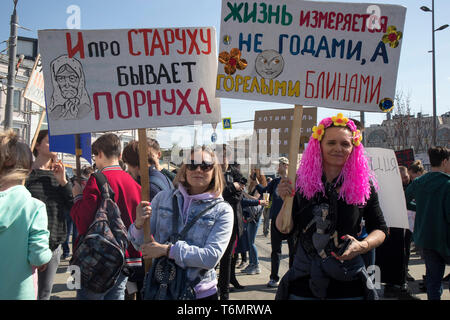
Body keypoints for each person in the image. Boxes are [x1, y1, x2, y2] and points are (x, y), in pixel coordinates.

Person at [275, 113, 388, 300]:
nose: (338, 148)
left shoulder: (363, 185)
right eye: (331, 143)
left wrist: (362, 245)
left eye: (345, 144)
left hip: (348, 285)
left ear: (354, 148)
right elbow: (283, 231)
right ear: (319, 145)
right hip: (304, 283)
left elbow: (381, 229)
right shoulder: (300, 184)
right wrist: (285, 201)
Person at [129, 145, 234, 300]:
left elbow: (211, 257)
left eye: (205, 166)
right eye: (192, 165)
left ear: (214, 171)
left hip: (200, 292)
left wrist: (167, 251)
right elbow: (140, 245)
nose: (198, 170)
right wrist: (138, 224)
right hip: (161, 289)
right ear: (185, 169)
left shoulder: (222, 210)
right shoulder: (163, 198)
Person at [70, 133, 142, 300]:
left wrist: (77, 197)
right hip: (125, 257)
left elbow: (83, 223)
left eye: (95, 156)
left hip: (98, 258)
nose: (95, 161)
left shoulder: (97, 180)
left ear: (100, 153)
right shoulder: (135, 184)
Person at [0, 130, 52, 300]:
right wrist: (46, 257)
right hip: (18, 292)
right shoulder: (34, 208)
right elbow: (39, 256)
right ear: (28, 169)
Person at [121, 140, 174, 299]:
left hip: (155, 256)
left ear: (134, 164)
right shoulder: (160, 176)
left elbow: (150, 226)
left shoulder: (148, 186)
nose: (128, 170)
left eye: (128, 165)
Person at [25, 130, 73, 300]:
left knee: (44, 294)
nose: (54, 144)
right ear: (37, 145)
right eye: (48, 140)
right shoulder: (26, 174)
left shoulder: (60, 173)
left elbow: (72, 206)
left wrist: (63, 182)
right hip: (27, 244)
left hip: (53, 243)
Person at [405, 146, 450, 300]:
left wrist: (420, 208)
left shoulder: (418, 182)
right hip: (445, 237)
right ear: (445, 161)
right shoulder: (448, 183)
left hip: (426, 237)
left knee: (433, 278)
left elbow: (404, 200)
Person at [376, 166, 418, 300]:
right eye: (403, 178)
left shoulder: (408, 186)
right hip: (393, 226)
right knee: (393, 254)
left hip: (402, 226)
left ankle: (399, 283)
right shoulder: (389, 189)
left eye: (406, 177)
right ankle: (395, 286)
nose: (405, 179)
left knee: (401, 254)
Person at [255, 157, 295, 288]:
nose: (276, 168)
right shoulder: (275, 182)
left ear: (285, 165)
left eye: (278, 165)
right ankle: (274, 278)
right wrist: (255, 182)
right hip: (276, 221)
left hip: (292, 221)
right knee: (275, 251)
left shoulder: (294, 180)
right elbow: (264, 191)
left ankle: (292, 277)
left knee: (293, 251)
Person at [217, 145, 245, 300]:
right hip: (215, 220)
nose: (223, 159)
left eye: (225, 156)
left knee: (228, 257)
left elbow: (239, 196)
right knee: (215, 257)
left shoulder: (235, 173)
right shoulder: (213, 172)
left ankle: (224, 292)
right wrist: (231, 188)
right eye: (220, 155)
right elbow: (216, 193)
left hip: (233, 221)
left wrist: (229, 191)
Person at [62, 165, 94, 260]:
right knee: (76, 232)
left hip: (68, 208)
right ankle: (75, 251)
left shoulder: (71, 180)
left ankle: (66, 252)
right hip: (78, 207)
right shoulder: (85, 182)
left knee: (68, 231)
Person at [241, 189, 268, 275]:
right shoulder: (251, 187)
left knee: (251, 242)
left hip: (255, 218)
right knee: (249, 242)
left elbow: (255, 199)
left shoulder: (258, 188)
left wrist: (244, 193)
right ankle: (251, 264)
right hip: (250, 217)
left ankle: (256, 265)